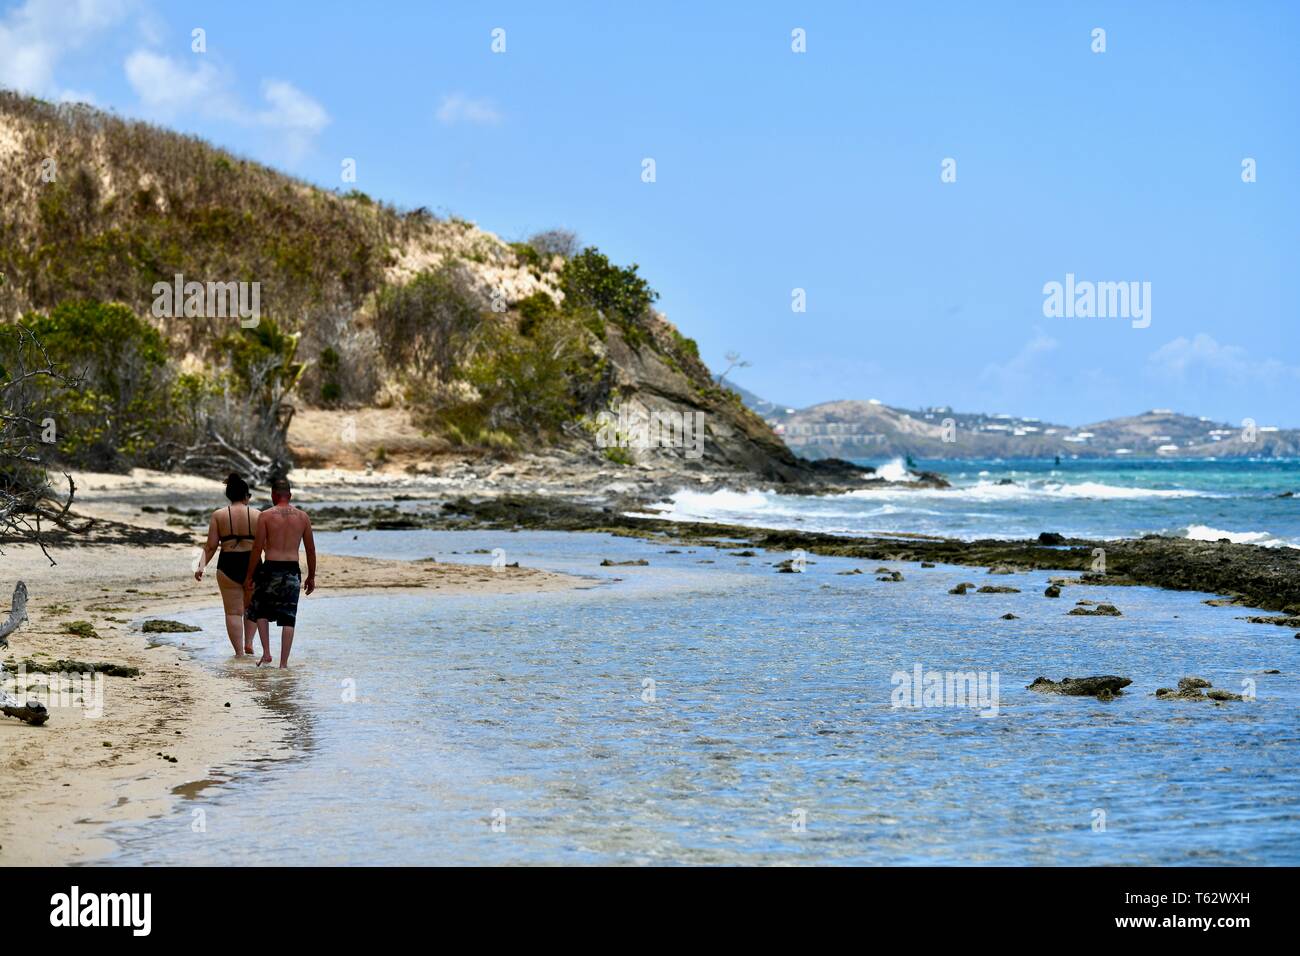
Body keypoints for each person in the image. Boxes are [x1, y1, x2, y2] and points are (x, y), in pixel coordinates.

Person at [243, 476, 316, 668]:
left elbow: (257, 548)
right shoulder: (303, 517)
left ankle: (267, 653)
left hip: (270, 569)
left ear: (273, 495)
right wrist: (311, 576)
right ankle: (283, 664)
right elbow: (310, 549)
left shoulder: (265, 516)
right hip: (292, 570)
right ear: (290, 495)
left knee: (261, 611)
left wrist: (250, 575)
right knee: (289, 618)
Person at [195, 473, 261, 656]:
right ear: (246, 496)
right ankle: (249, 643)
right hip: (253, 565)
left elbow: (210, 546)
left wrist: (200, 566)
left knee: (233, 612)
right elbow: (266, 545)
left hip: (228, 564)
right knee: (251, 608)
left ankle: (239, 653)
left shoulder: (218, 515)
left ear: (229, 495)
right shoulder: (258, 515)